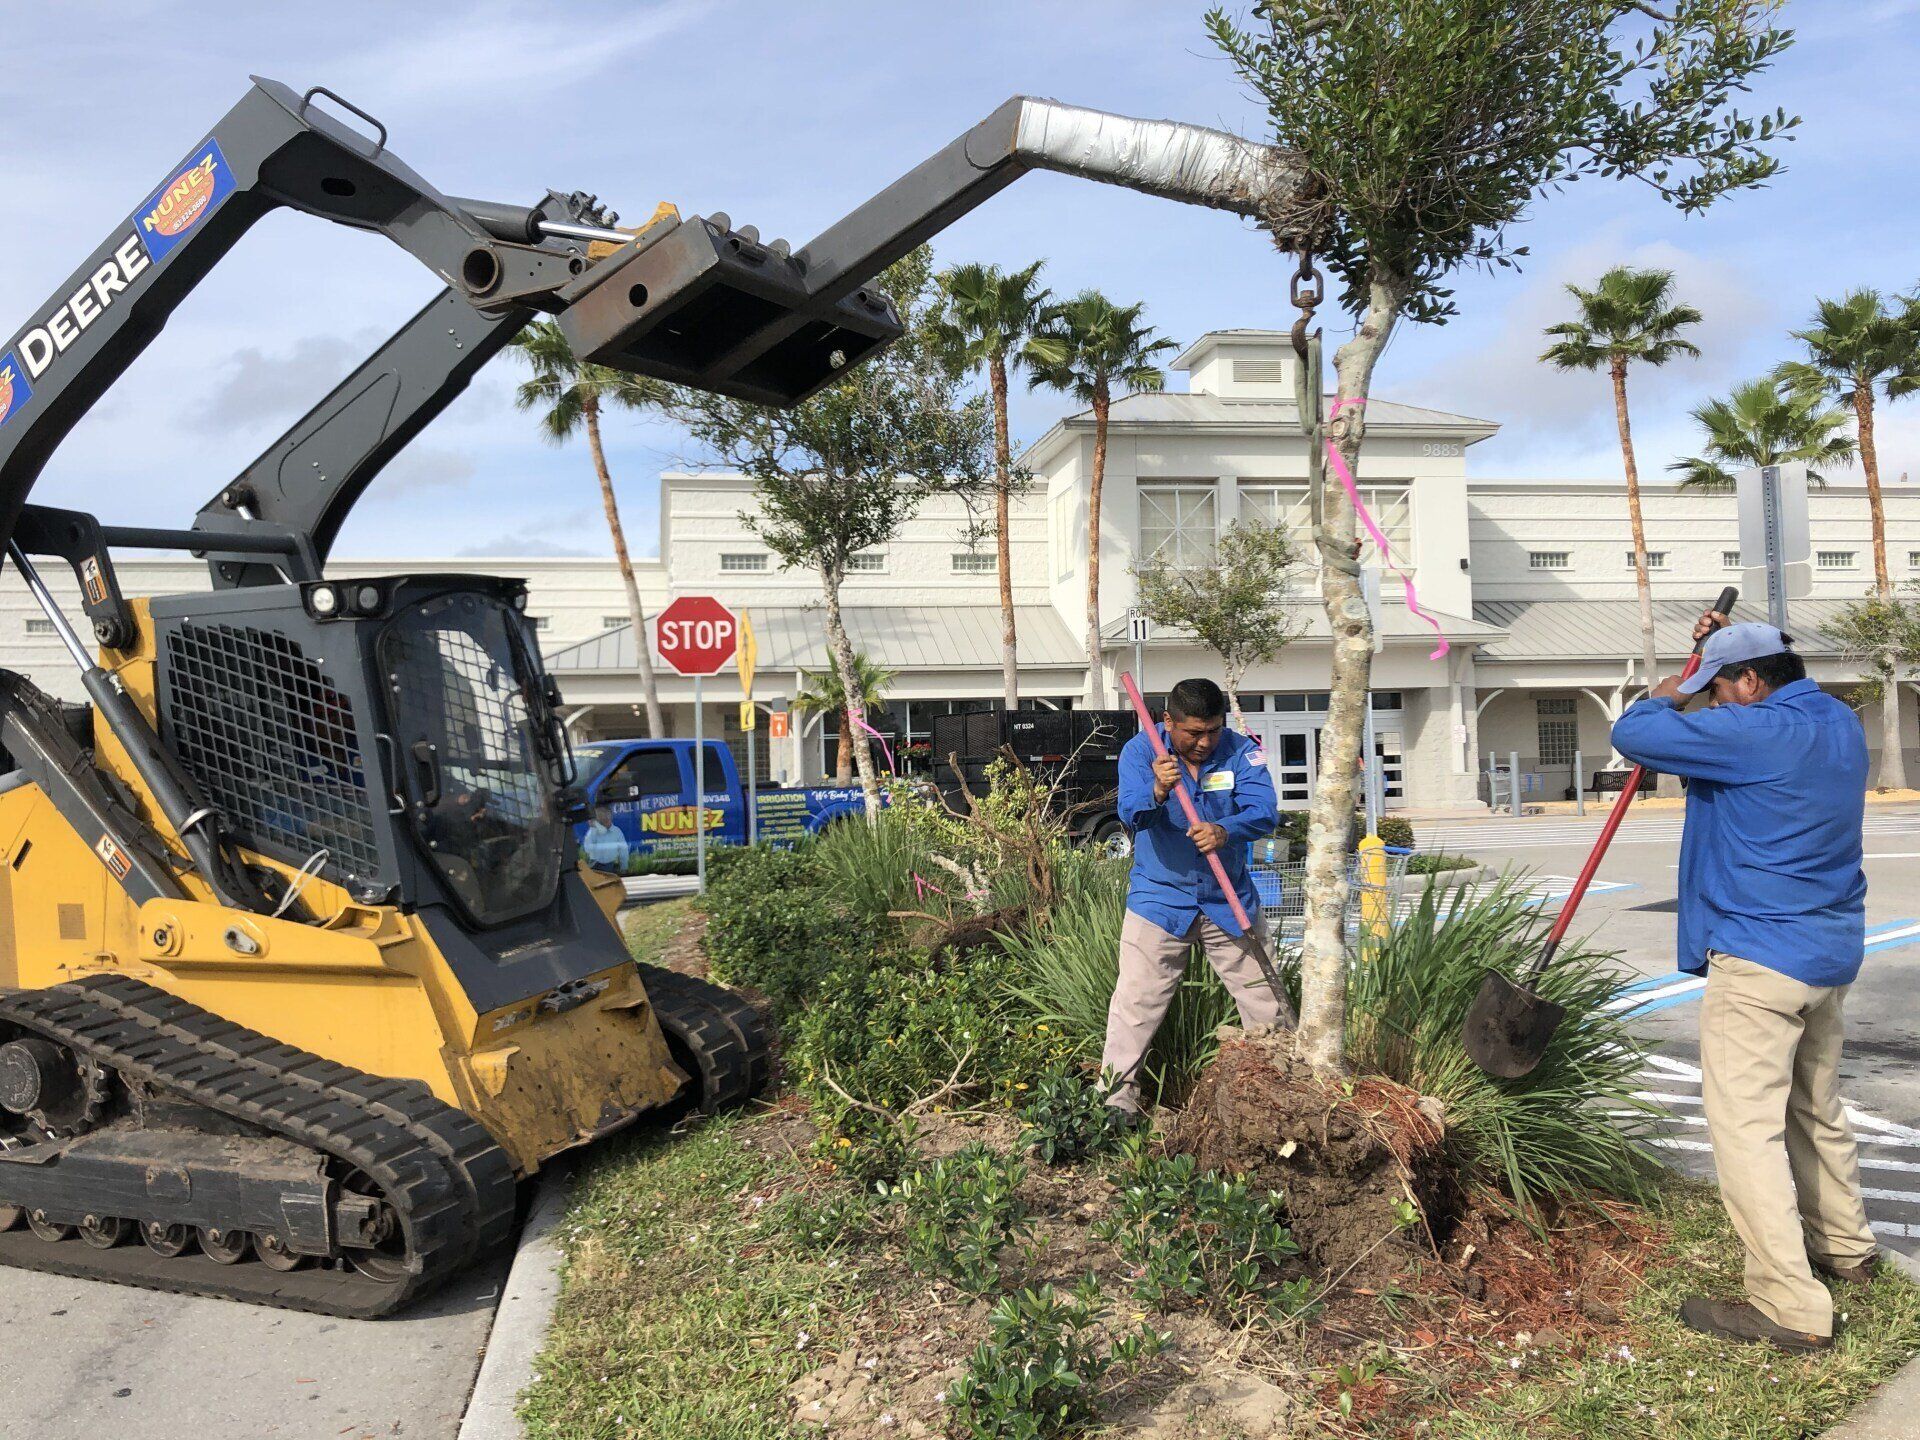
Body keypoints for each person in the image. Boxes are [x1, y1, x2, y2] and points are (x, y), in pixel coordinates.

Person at [1612, 613, 1875, 1354]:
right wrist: (1724, 647)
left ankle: (1790, 1306)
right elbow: (1764, 674)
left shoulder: (1752, 733)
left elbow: (1635, 736)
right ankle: (1845, 1249)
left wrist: (1667, 694)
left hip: (1759, 960)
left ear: (1752, 683)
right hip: (1827, 953)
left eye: (1722, 689)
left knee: (1745, 1129)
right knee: (1814, 1106)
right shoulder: (1838, 722)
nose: (1716, 702)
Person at [1102, 677, 1286, 1118]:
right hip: (1160, 900)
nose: (1205, 742)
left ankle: (1280, 1096)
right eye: (1193, 733)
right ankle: (1115, 1104)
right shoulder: (1141, 752)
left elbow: (1264, 812)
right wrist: (1158, 789)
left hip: (1228, 898)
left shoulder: (1243, 751)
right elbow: (1131, 812)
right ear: (1168, 722)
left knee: (1268, 1003)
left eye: (1213, 731)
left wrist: (1226, 830)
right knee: (1135, 1006)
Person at [580, 803, 631, 873]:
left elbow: (623, 851)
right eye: (600, 814)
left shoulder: (616, 832)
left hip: (610, 866)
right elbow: (587, 849)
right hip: (595, 866)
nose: (604, 817)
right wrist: (593, 828)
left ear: (610, 815)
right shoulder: (593, 831)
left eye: (606, 813)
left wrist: (624, 868)